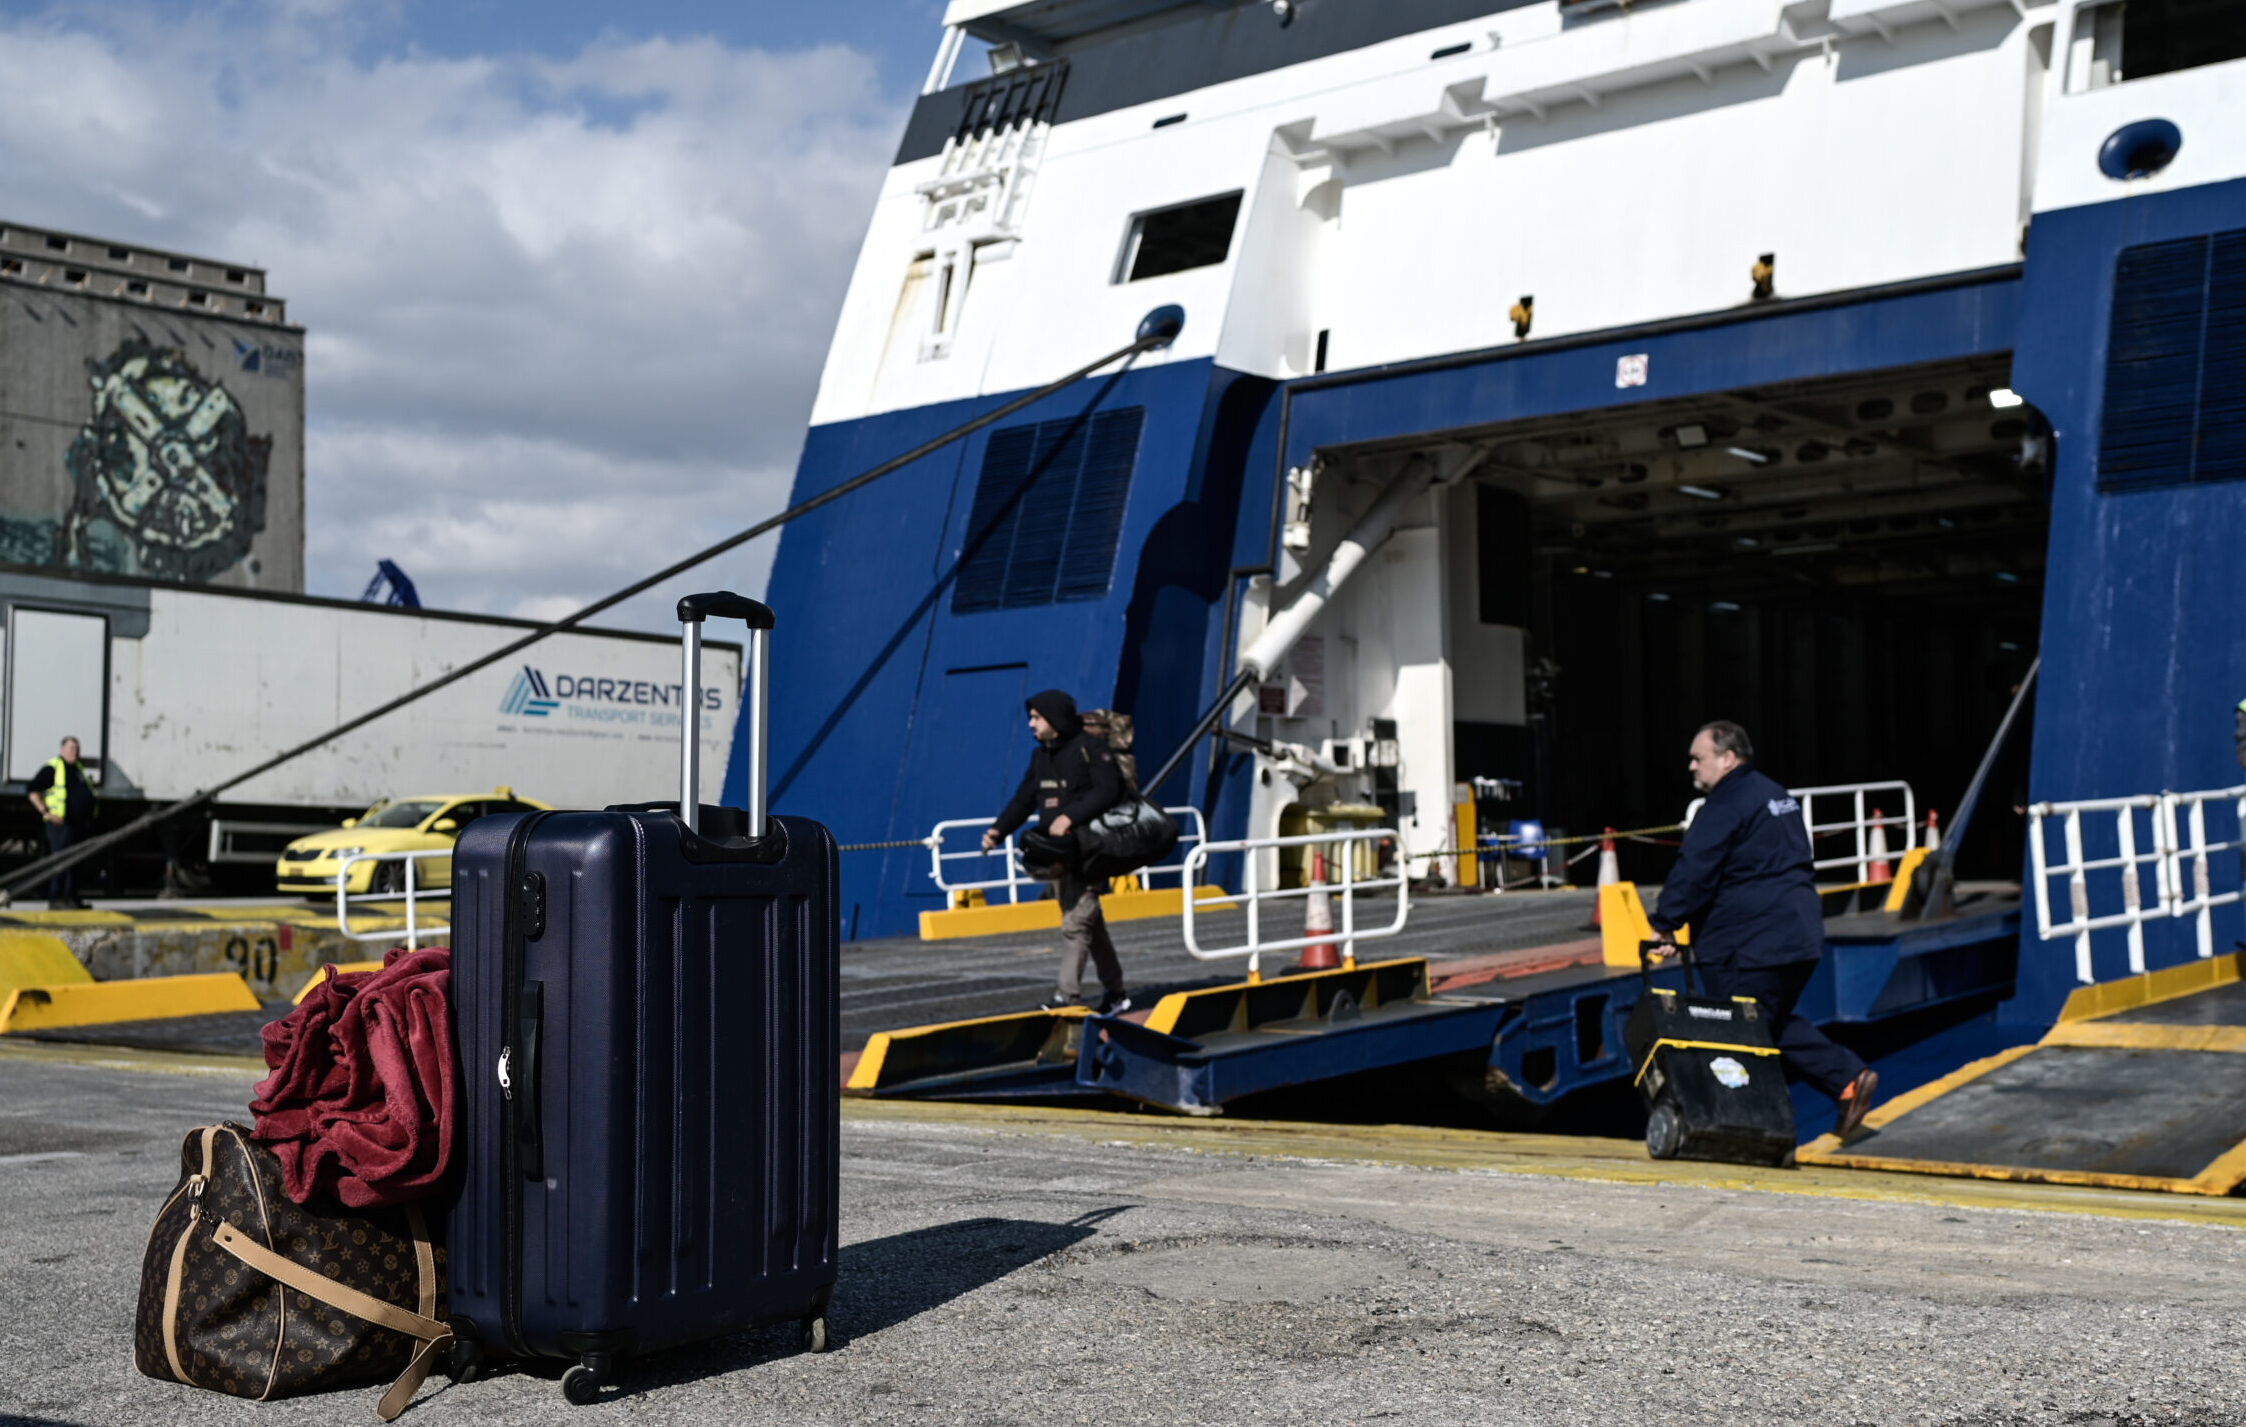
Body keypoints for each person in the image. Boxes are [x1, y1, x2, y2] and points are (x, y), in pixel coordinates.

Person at [1646, 721, 1879, 1139]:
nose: (1691, 767)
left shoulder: (1726, 804)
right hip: (1798, 936)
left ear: (1727, 757)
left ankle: (1750, 1125)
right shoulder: (1776, 796)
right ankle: (1843, 1083)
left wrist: (1665, 924)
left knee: (1739, 1028)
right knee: (1766, 1022)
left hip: (1749, 944)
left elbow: (1695, 868)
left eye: (1698, 758)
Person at [985, 690, 1130, 1014]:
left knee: (1076, 923)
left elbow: (1109, 790)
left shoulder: (1092, 749)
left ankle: (1067, 998)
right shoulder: (1042, 757)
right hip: (1060, 858)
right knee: (1091, 927)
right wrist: (998, 831)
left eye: (1036, 718)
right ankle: (1117, 992)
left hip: (1093, 852)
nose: (1030, 725)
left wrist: (1070, 816)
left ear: (1055, 718)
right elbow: (1025, 798)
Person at [26, 736, 96, 910]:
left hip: (77, 824)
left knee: (75, 862)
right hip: (60, 825)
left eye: (77, 749)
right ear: (62, 750)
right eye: (71, 748)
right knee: (60, 861)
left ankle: (72, 898)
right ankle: (56, 898)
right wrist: (46, 813)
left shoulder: (77, 769)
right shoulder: (53, 767)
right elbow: (32, 789)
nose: (75, 752)